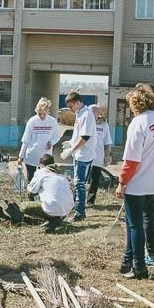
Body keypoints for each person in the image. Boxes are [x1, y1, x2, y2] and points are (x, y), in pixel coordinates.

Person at [116, 85, 154, 279]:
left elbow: (132, 159)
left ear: (135, 104)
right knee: (137, 221)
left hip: (138, 181)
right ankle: (127, 259)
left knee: (134, 225)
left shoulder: (138, 123)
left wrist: (122, 182)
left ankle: (139, 267)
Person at [17, 97, 60, 200]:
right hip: (31, 155)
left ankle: (44, 198)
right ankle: (31, 199)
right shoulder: (32, 121)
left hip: (46, 157)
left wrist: (51, 142)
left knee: (46, 178)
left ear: (48, 111)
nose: (41, 116)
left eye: (44, 114)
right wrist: (20, 156)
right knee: (32, 179)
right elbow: (26, 140)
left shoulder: (52, 121)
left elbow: (57, 136)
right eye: (39, 114)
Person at [18, 154, 73, 233]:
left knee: (23, 206)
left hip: (52, 207)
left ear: (41, 165)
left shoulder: (41, 172)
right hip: (67, 208)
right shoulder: (61, 175)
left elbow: (31, 190)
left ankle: (52, 219)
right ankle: (58, 218)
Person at [62, 92, 94, 221]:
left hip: (84, 154)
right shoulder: (79, 114)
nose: (70, 109)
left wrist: (71, 150)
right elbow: (77, 134)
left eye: (71, 106)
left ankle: (80, 213)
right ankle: (76, 209)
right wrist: (70, 142)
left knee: (79, 184)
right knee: (77, 184)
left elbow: (85, 137)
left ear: (77, 102)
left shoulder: (86, 115)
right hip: (79, 153)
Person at [86, 106, 114, 205]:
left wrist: (108, 155)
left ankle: (90, 201)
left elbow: (107, 142)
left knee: (94, 181)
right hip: (85, 157)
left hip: (98, 158)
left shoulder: (104, 125)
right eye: (90, 112)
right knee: (82, 181)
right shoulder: (85, 123)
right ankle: (78, 200)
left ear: (98, 113)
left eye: (94, 112)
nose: (92, 114)